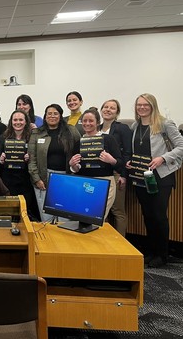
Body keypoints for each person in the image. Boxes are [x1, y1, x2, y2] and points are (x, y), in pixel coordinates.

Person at [127, 94, 183, 268]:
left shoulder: (165, 123)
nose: (142, 107)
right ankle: (151, 251)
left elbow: (181, 146)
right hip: (142, 176)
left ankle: (162, 254)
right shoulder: (135, 126)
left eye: (146, 105)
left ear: (153, 106)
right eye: (139, 105)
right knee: (148, 215)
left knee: (159, 216)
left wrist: (163, 158)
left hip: (161, 176)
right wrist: (131, 161)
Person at [29, 104, 81, 222]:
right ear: (45, 116)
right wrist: (37, 179)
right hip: (43, 179)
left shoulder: (71, 130)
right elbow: (32, 159)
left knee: (64, 218)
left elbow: (80, 150)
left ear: (60, 116)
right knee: (46, 218)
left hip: (66, 178)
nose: (52, 116)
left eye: (55, 113)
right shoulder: (37, 133)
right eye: (49, 114)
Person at [69, 108, 123, 218]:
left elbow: (120, 164)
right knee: (84, 217)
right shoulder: (78, 142)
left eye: (91, 121)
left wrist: (111, 160)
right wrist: (72, 164)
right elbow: (77, 168)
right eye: (84, 121)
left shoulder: (108, 139)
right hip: (84, 183)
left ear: (98, 123)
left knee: (98, 218)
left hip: (105, 183)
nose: (87, 123)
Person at [0, 110, 38, 221]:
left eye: (20, 120)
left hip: (26, 180)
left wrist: (30, 158)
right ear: (11, 122)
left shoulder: (32, 137)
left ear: (26, 122)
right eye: (15, 120)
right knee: (11, 212)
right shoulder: (3, 137)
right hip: (9, 180)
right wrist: (1, 159)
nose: (17, 122)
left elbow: (38, 158)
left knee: (25, 211)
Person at [100, 99, 133, 235]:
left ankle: (122, 248)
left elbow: (127, 153)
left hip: (116, 173)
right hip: (100, 174)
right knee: (102, 210)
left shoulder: (122, 128)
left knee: (117, 210)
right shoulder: (96, 128)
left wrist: (124, 175)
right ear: (101, 110)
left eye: (112, 108)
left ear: (117, 112)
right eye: (105, 107)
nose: (108, 110)